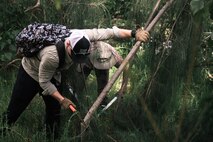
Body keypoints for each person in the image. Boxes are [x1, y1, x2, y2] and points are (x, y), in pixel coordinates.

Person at [1, 25, 149, 140]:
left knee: (54, 113)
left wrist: (134, 33)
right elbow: (44, 82)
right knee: (14, 112)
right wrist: (62, 99)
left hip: (53, 74)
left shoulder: (83, 36)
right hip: (31, 74)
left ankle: (52, 138)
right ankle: (3, 131)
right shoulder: (52, 55)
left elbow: (110, 32)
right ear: (68, 45)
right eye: (75, 56)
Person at [72, 41, 128, 106]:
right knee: (78, 85)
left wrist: (123, 88)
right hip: (87, 61)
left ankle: (102, 106)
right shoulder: (87, 52)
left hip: (100, 62)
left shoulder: (113, 53)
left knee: (102, 92)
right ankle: (75, 102)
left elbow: (125, 67)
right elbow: (79, 69)